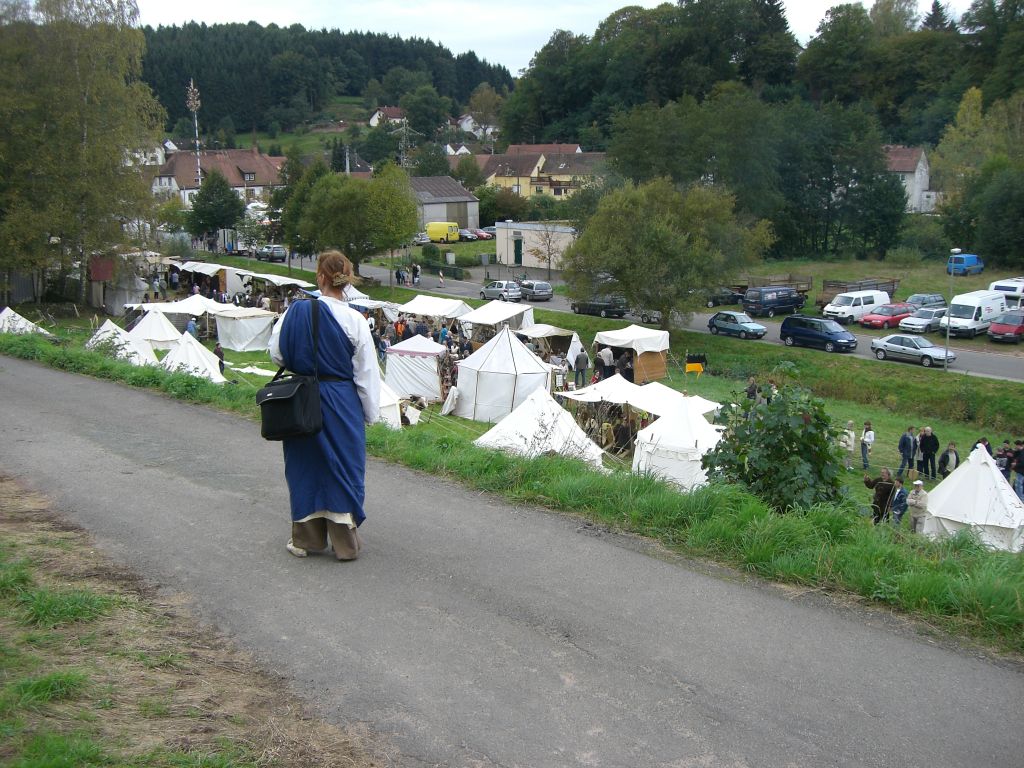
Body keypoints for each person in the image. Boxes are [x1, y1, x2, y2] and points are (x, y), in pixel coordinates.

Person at [268, 250, 380, 561]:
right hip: (341, 401)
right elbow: (366, 373)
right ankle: (345, 544)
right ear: (348, 280)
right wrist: (369, 413)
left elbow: (276, 354)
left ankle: (307, 541)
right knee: (343, 466)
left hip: (302, 398)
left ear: (320, 277)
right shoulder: (355, 320)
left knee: (306, 466)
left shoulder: (294, 312)